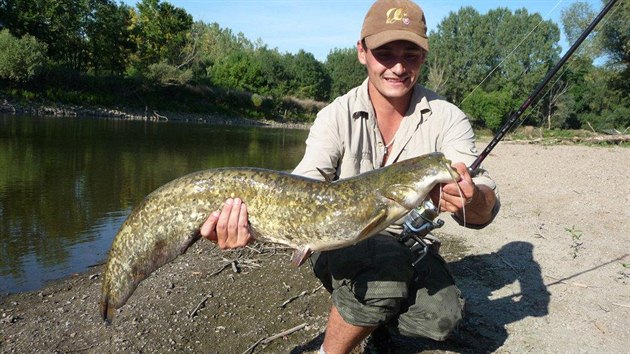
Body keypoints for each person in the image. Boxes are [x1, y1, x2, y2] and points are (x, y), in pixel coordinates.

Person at [200, 0, 499, 353]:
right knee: (382, 276)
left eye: (411, 54)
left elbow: (482, 206)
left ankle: (375, 316)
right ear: (362, 51)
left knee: (442, 317)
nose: (398, 66)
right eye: (385, 53)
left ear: (423, 57)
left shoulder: (448, 118)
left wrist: (473, 198)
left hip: (411, 246)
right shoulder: (334, 116)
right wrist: (250, 223)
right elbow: (302, 184)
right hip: (338, 242)